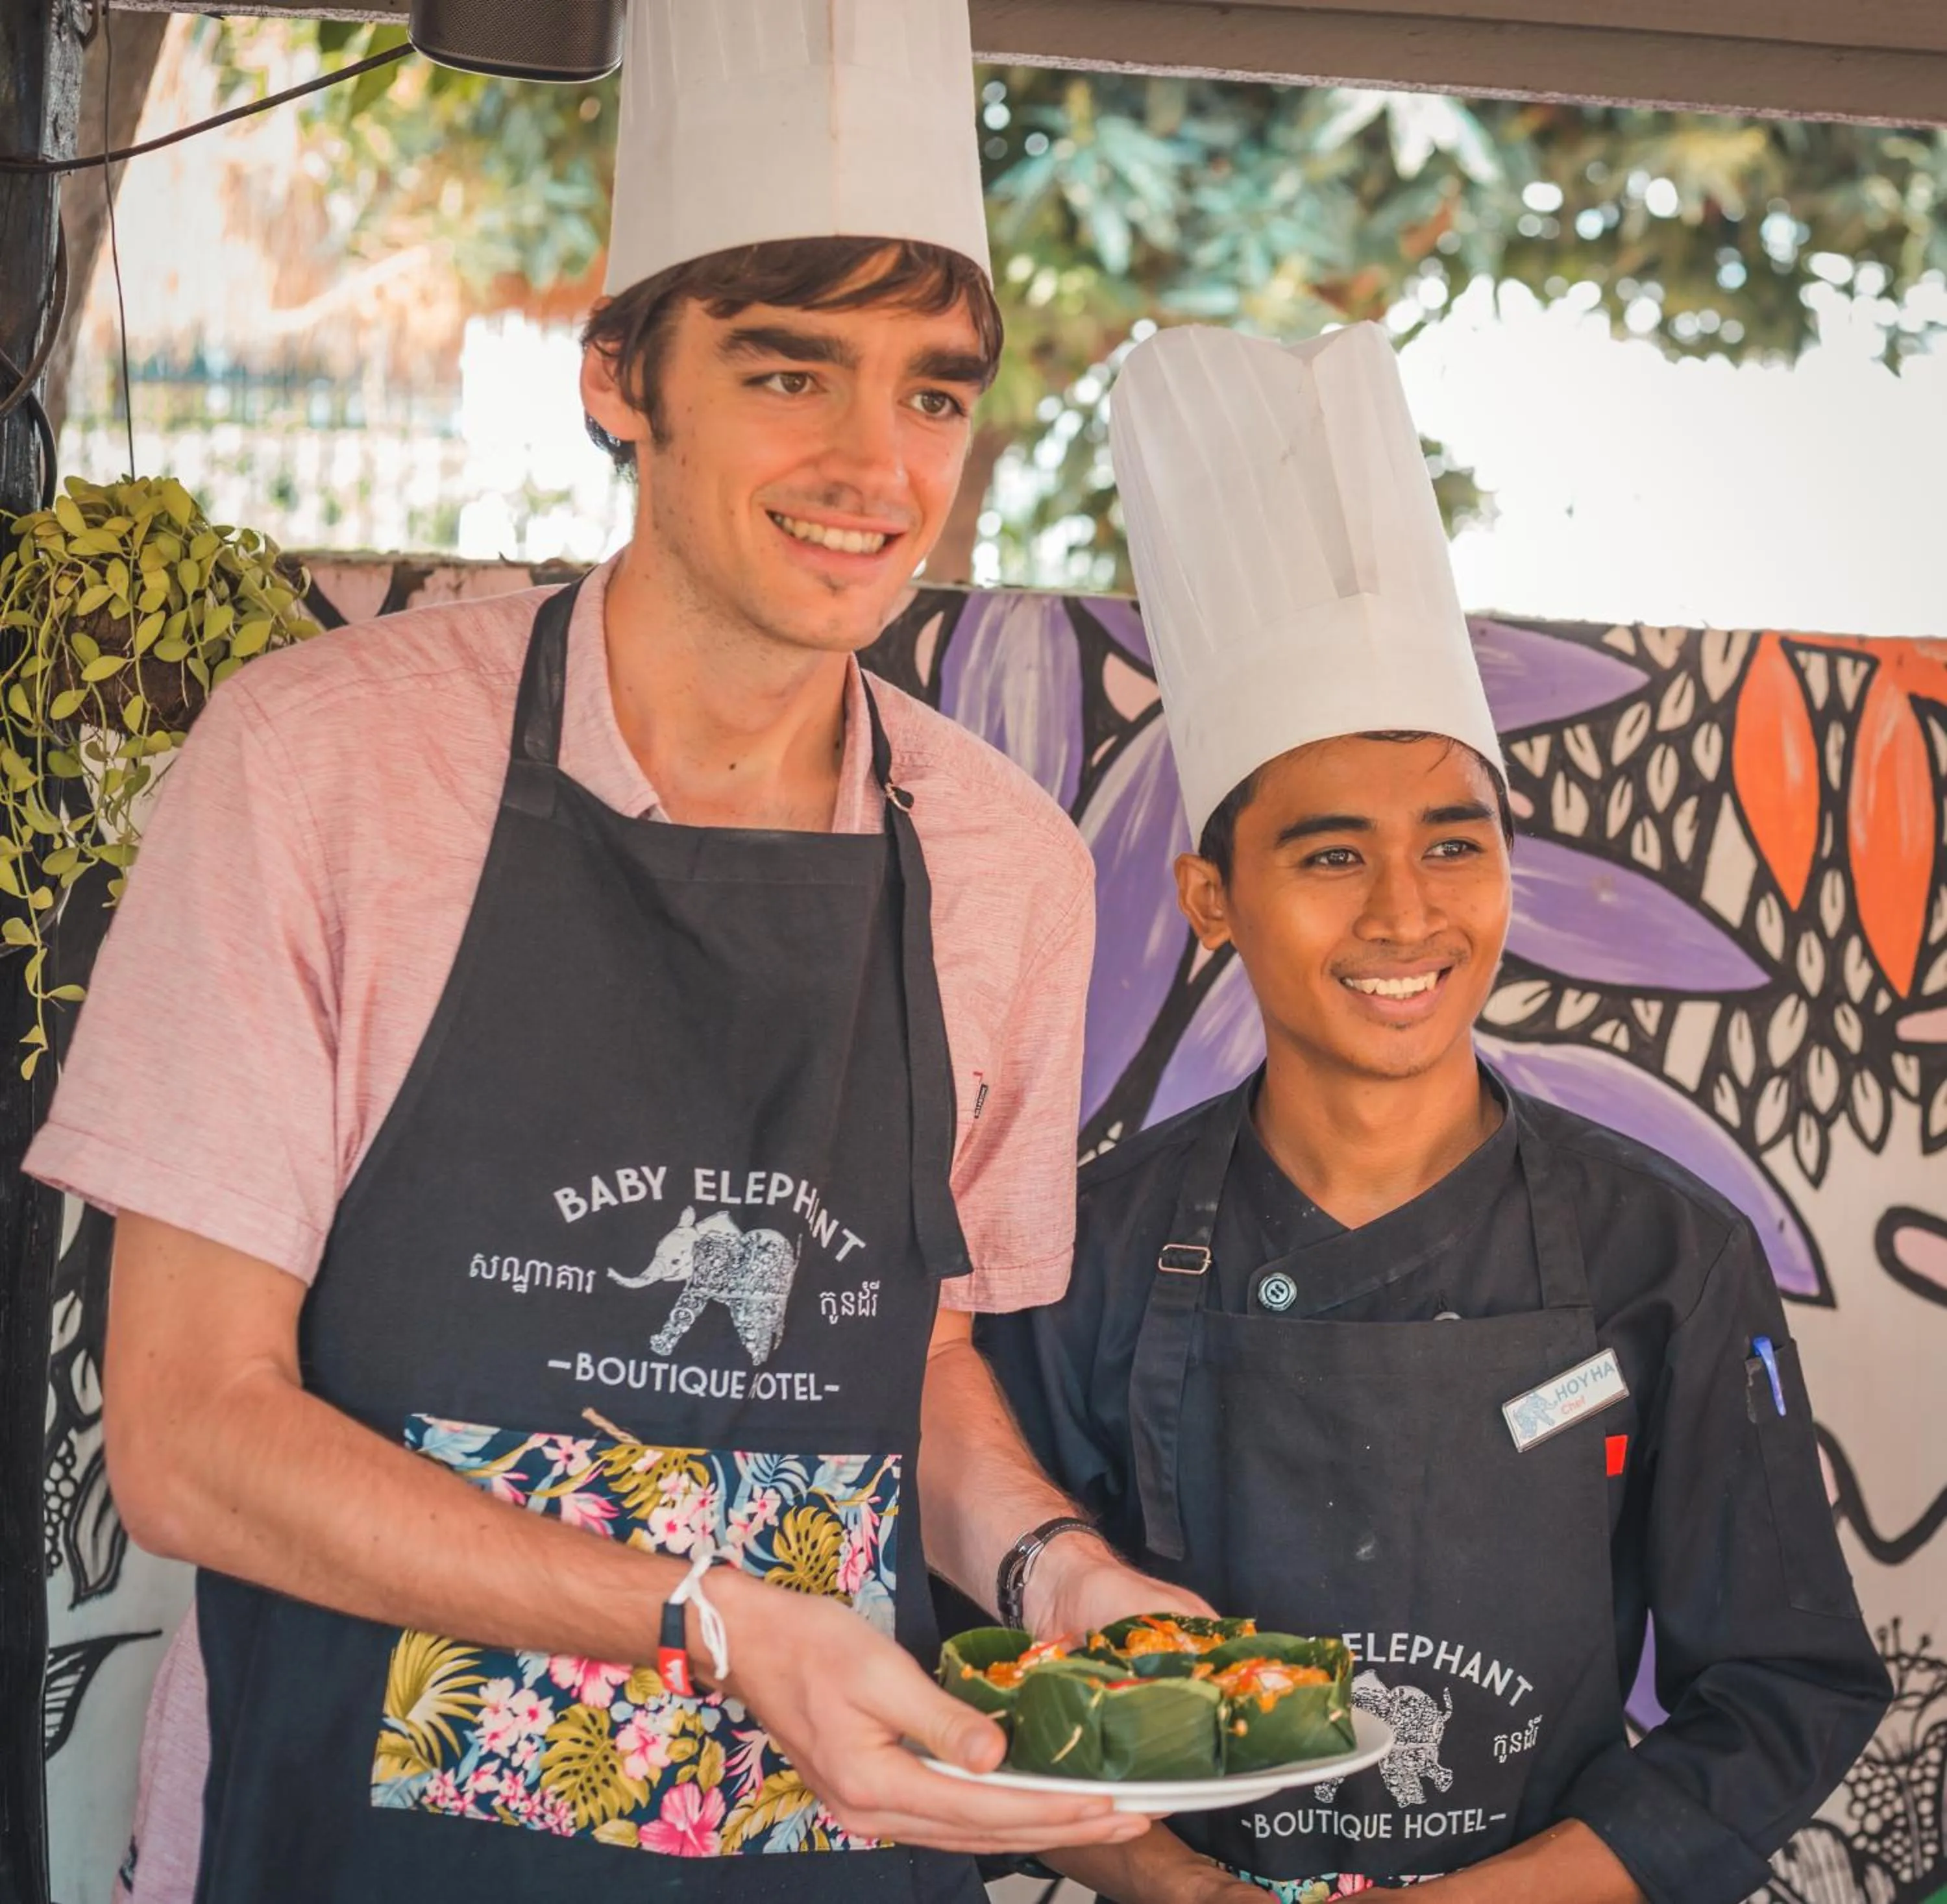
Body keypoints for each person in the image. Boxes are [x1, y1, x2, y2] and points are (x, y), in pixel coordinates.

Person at [25, 5, 1196, 1899]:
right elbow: (188, 1437)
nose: (875, 464)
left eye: (932, 391)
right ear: (622, 377)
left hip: (830, 1848)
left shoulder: (1008, 866)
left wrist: (1065, 1572)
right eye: (791, 374)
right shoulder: (320, 766)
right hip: (370, 1842)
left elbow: (916, 1353)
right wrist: (711, 1619)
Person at [978, 321, 1892, 1904]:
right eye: (1332, 856)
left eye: (1455, 846)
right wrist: (1177, 1889)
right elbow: (980, 1663)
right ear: (1212, 896)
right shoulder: (1098, 1249)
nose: (1409, 914)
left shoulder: (1660, 1251)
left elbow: (1780, 1694)